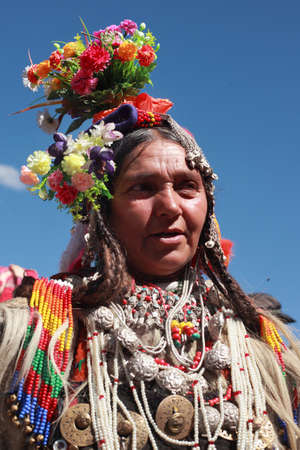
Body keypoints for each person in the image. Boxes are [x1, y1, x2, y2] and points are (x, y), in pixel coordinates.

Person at [1, 19, 300, 450]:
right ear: (101, 213)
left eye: (186, 187)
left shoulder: (264, 345)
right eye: (142, 188)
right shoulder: (34, 334)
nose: (171, 206)